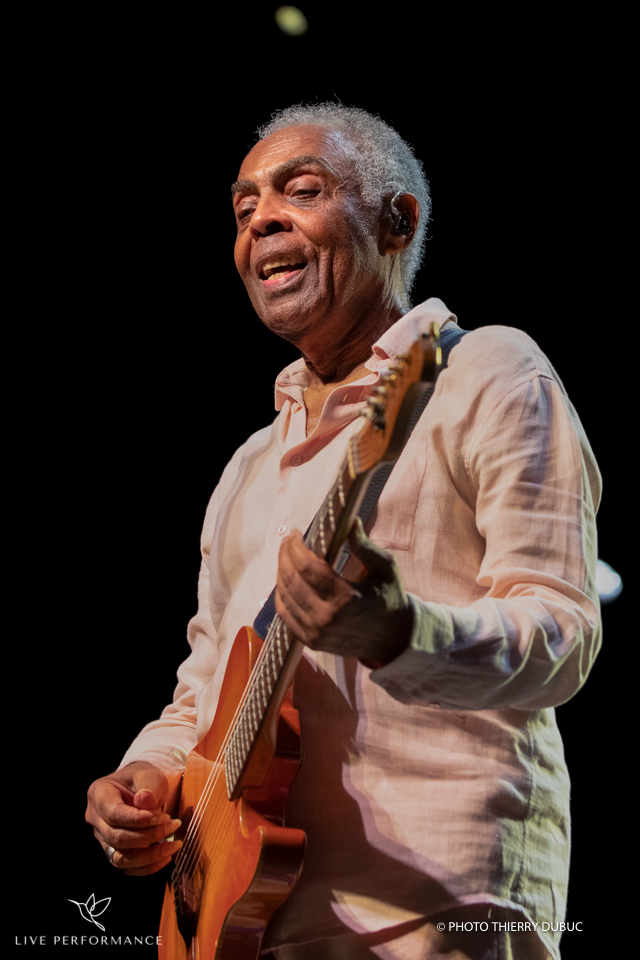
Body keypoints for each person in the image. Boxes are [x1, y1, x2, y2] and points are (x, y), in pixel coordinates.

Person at [86, 104, 602, 960]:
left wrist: (398, 633)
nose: (261, 220)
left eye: (302, 190)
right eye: (244, 207)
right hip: (248, 919)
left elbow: (563, 635)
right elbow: (203, 689)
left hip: (435, 903)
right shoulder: (249, 464)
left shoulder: (486, 370)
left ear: (398, 221)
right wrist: (150, 776)